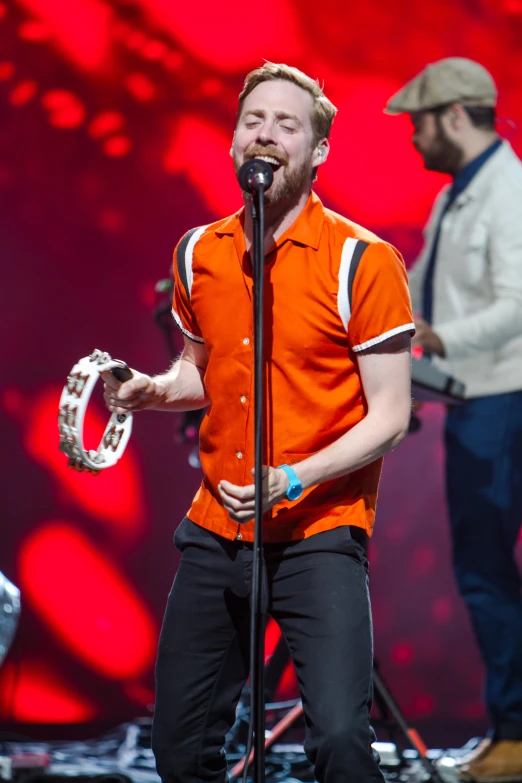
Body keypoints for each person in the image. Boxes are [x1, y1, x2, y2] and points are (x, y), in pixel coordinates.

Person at [104, 62, 413, 783]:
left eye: (286, 124)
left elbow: (392, 415)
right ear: (233, 138)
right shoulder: (199, 251)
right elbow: (200, 372)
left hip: (317, 529)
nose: (265, 135)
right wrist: (153, 390)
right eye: (253, 120)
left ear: (319, 149)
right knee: (180, 748)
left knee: (337, 739)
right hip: (218, 528)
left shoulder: (361, 261)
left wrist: (293, 476)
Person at [385, 57, 522, 783]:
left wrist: (438, 340)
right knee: (483, 567)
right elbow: (419, 288)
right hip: (474, 402)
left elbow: (518, 304)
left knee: (487, 571)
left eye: (420, 123)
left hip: (504, 403)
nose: (413, 137)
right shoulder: (458, 197)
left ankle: (517, 734)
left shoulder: (507, 193)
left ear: (457, 116)